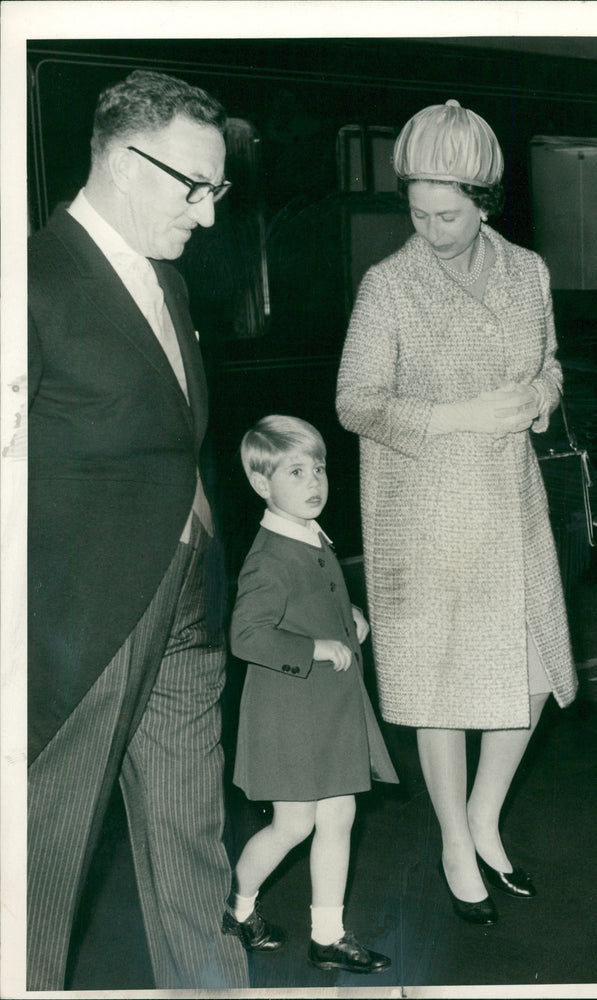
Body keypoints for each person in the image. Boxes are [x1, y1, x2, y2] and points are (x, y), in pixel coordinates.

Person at [27, 70, 251, 989]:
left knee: (194, 858)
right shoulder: (32, 281)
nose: (207, 215)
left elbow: (171, 438)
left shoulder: (168, 283)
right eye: (193, 187)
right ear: (124, 161)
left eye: (218, 191)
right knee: (40, 878)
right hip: (81, 633)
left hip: (185, 614)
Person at [336, 100, 578, 924]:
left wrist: (538, 397)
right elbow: (355, 402)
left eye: (447, 214)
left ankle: (484, 813)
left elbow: (549, 364)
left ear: (484, 203)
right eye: (417, 213)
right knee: (440, 686)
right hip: (425, 509)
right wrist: (458, 418)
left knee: (534, 674)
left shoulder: (530, 273)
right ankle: (451, 837)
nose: (431, 229)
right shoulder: (389, 285)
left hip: (511, 502)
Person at [225, 415, 397, 973]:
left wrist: (344, 617)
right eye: (296, 471)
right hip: (290, 713)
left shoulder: (309, 535)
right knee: (293, 824)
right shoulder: (270, 554)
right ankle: (238, 907)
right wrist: (320, 647)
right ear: (261, 484)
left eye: (318, 468)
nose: (314, 481)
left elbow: (308, 602)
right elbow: (248, 634)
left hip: (326, 710)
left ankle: (328, 935)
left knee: (339, 815)